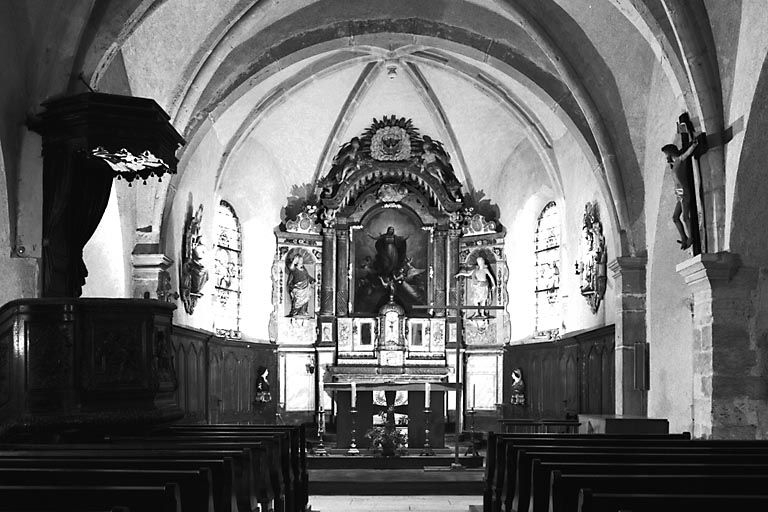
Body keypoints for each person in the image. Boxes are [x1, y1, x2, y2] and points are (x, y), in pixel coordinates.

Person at [662, 137, 699, 250]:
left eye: (666, 155)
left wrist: (693, 145)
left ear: (670, 153)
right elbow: (677, 184)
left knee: (685, 217)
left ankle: (691, 238)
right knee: (675, 217)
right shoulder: (673, 166)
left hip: (684, 192)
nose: (666, 158)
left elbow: (687, 154)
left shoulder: (679, 160)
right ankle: (684, 238)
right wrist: (677, 194)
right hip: (680, 194)